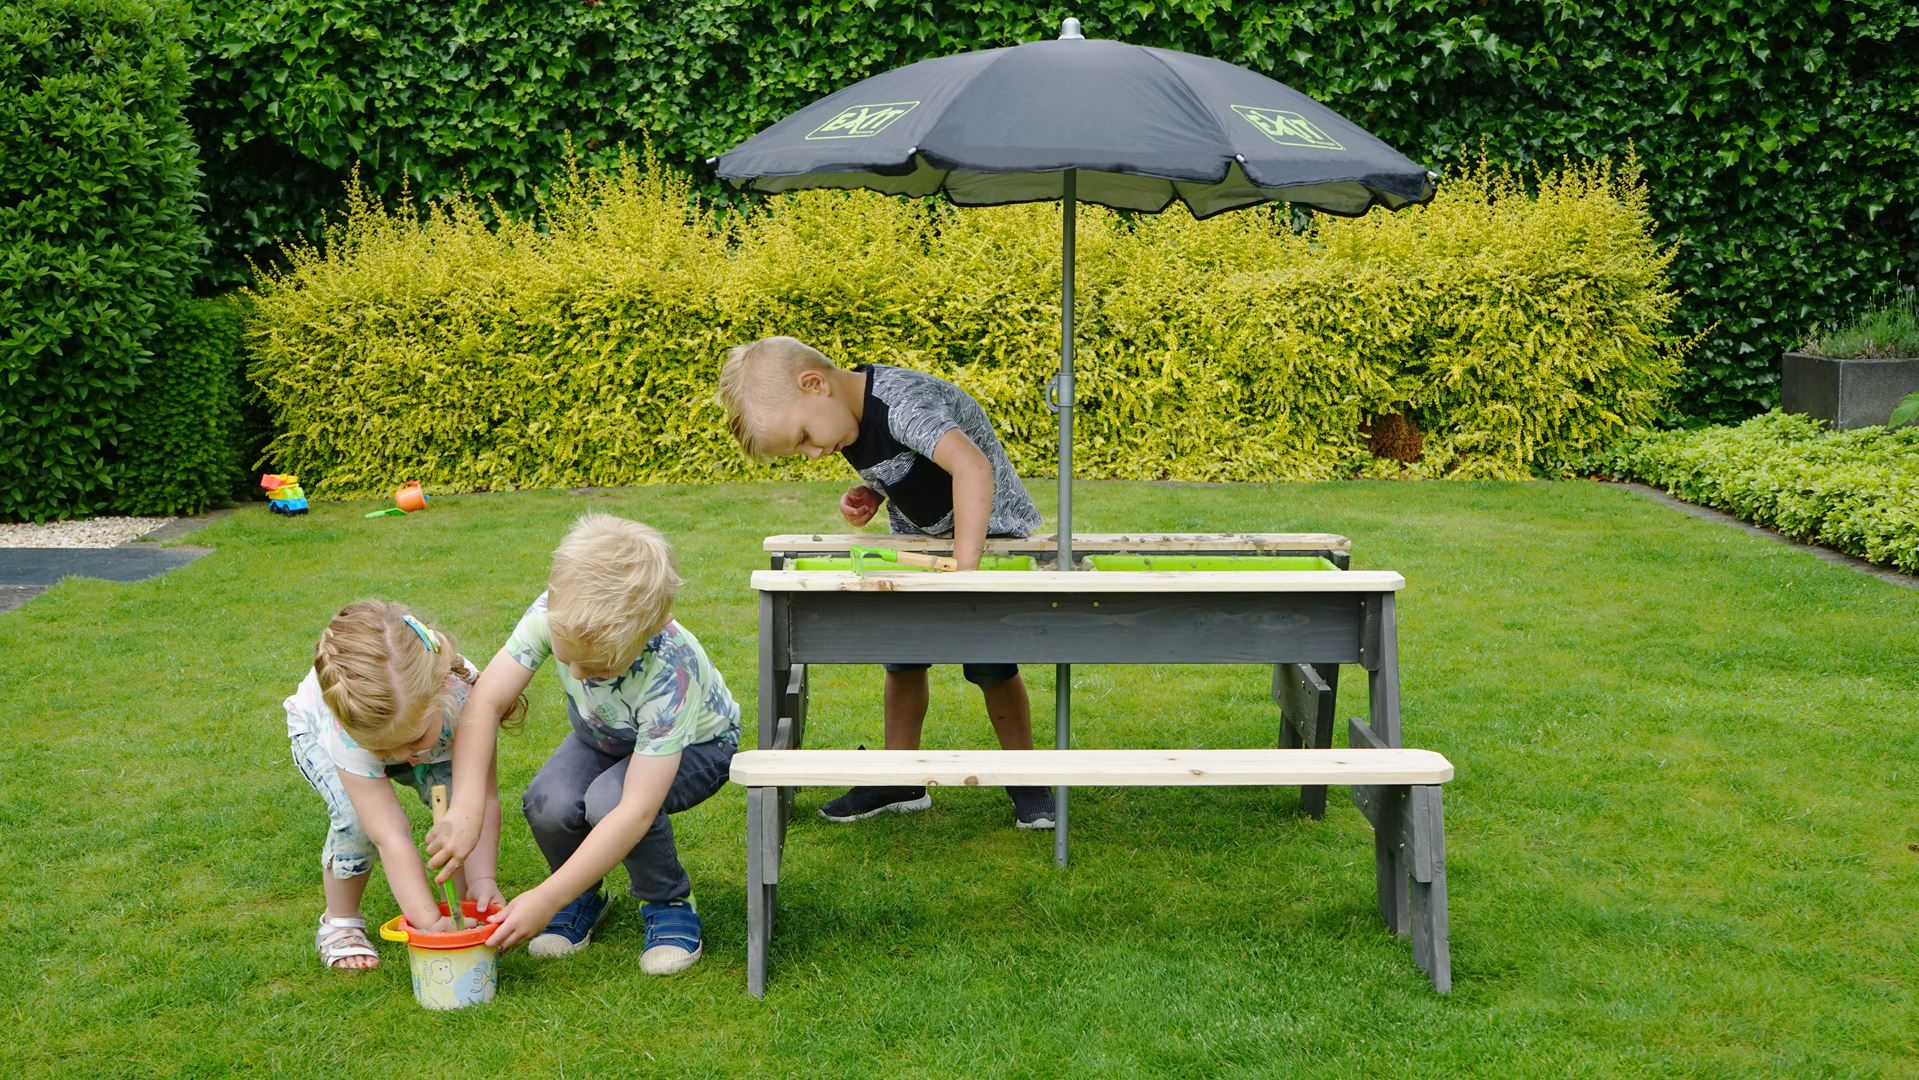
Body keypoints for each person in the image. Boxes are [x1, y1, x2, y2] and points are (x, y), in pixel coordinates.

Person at [717, 335, 1054, 829]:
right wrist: (873, 492)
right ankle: (900, 775)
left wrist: (965, 573)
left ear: (815, 385)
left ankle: (1027, 780)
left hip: (984, 543)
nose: (813, 455)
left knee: (991, 664)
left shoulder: (899, 403)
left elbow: (970, 466)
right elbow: (911, 464)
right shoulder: (848, 417)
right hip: (924, 548)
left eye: (805, 438)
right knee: (903, 659)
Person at [428, 514, 740, 974]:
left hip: (700, 747)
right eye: (565, 658)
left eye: (595, 670)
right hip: (605, 736)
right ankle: (583, 893)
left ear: (651, 629)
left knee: (610, 801)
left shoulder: (671, 668)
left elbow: (634, 808)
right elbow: (485, 702)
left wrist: (544, 897)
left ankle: (668, 901)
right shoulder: (555, 614)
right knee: (546, 800)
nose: (574, 676)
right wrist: (467, 807)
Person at [285, 600, 508, 970]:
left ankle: (468, 900)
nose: (399, 754)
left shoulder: (469, 699)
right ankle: (340, 921)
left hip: (436, 735)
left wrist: (484, 878)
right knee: (356, 821)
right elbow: (391, 835)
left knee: (460, 803)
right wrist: (426, 920)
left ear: (439, 693)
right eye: (387, 747)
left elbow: (482, 796)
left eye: (412, 738)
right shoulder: (350, 735)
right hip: (322, 736)